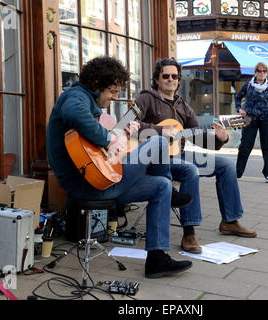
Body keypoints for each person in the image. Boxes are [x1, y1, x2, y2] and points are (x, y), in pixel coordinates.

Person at [46, 56, 193, 279]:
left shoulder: (90, 102)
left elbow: (95, 147)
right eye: (112, 91)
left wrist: (118, 139)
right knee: (159, 141)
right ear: (96, 85)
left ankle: (156, 260)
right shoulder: (75, 97)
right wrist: (108, 139)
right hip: (89, 184)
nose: (115, 97)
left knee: (161, 185)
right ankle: (172, 192)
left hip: (102, 177)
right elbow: (76, 115)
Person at [135, 58, 257, 255]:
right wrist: (158, 130)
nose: (170, 79)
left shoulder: (183, 105)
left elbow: (199, 137)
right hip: (153, 160)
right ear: (157, 79)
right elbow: (125, 124)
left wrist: (221, 139)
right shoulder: (145, 99)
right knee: (189, 169)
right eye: (165, 76)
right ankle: (189, 232)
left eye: (174, 76)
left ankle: (230, 221)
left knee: (225, 165)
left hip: (178, 155)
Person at [235, 62, 268, 183]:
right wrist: (239, 109)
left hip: (266, 119)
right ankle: (237, 172)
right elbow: (237, 98)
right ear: (255, 72)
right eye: (259, 71)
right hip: (250, 118)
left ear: (267, 73)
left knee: (267, 147)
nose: (261, 73)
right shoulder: (248, 85)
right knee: (245, 146)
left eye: (264, 71)